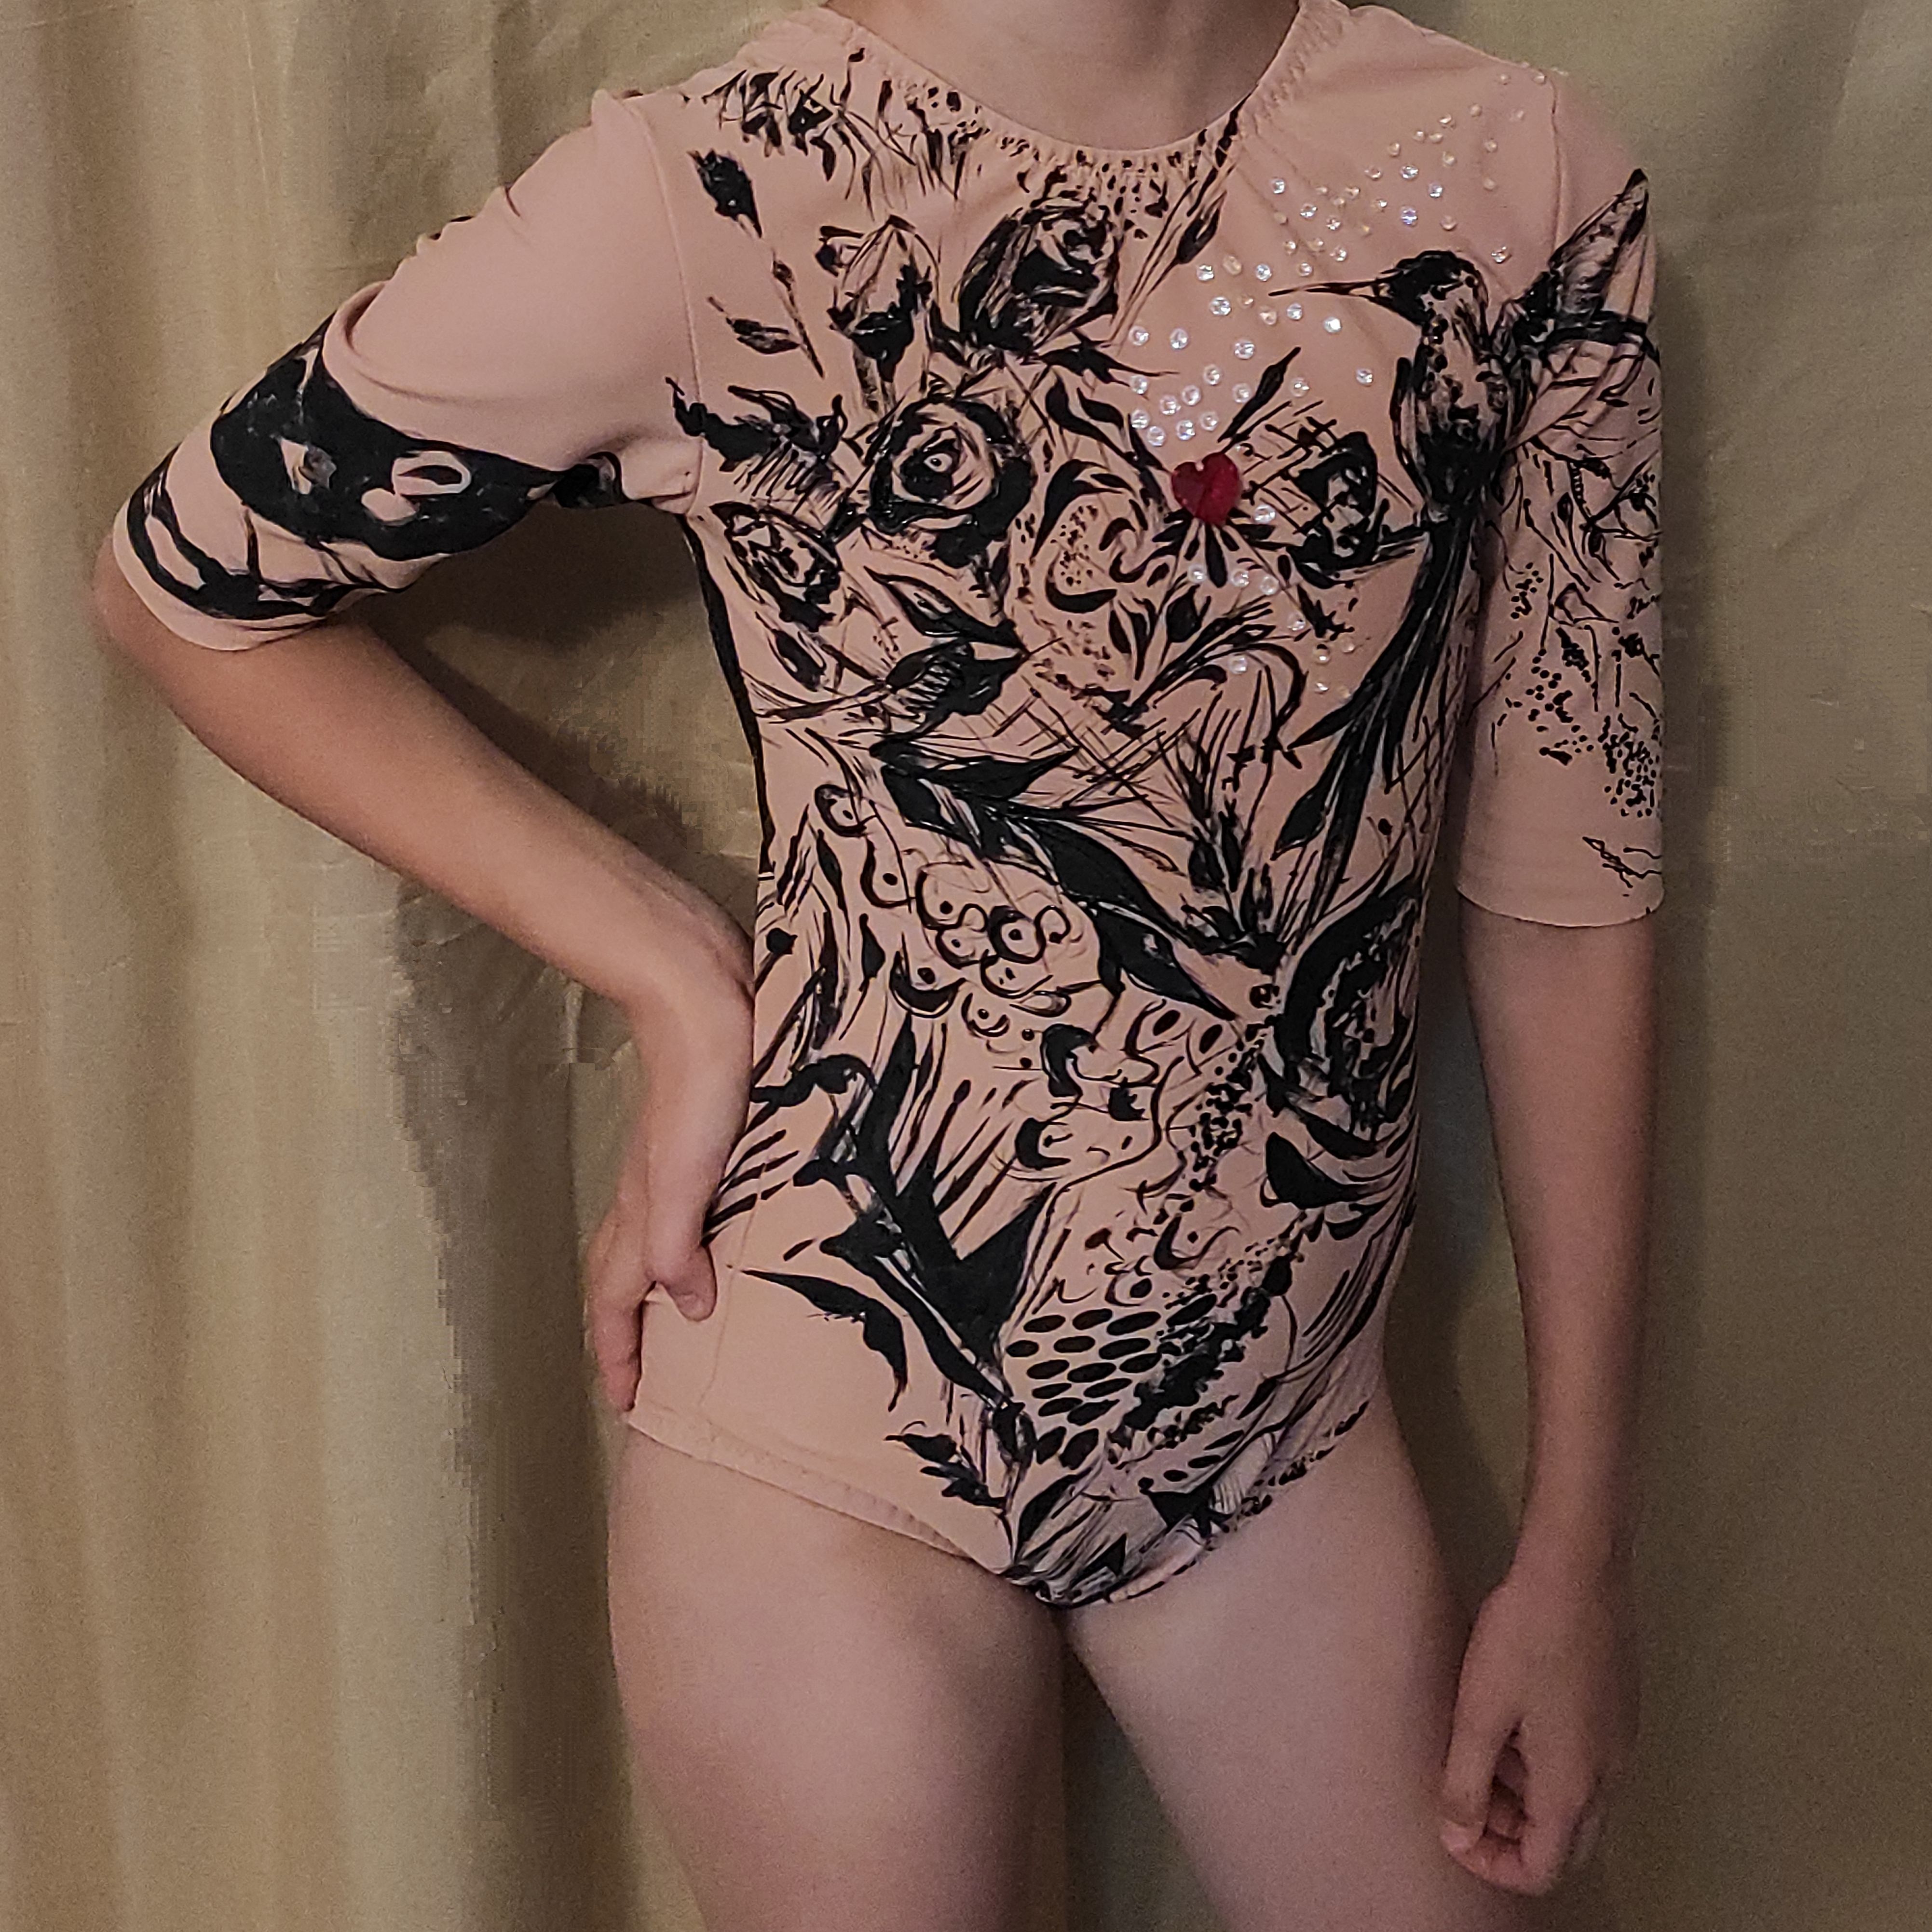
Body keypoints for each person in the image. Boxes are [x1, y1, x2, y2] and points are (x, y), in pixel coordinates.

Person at [90, 0, 1661, 1924]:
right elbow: (182, 588)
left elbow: (1568, 873)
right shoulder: (713, 193)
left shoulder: (1521, 180)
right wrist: (666, 962)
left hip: (1286, 1437)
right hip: (826, 1429)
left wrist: (1579, 1545)